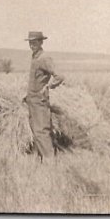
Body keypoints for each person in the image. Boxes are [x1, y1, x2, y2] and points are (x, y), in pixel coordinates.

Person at [24, 31, 65, 160]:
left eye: (35, 42)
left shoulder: (44, 58)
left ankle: (49, 161)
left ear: (41, 42)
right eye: (30, 42)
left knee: (42, 130)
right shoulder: (35, 57)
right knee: (36, 130)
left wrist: (48, 87)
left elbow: (59, 76)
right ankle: (42, 157)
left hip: (39, 100)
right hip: (32, 100)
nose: (32, 45)